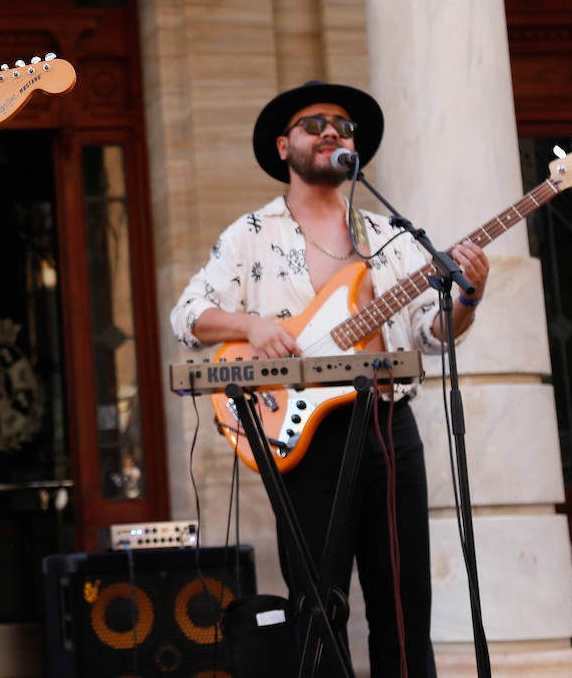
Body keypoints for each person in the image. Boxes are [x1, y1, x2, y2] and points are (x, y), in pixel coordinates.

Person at [169, 80, 490, 678]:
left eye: (342, 126)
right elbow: (187, 315)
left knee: (403, 600)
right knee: (318, 602)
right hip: (304, 437)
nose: (331, 133)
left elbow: (429, 335)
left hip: (387, 425)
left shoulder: (390, 237)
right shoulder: (251, 234)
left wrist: (468, 296)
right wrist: (252, 323)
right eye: (314, 124)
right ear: (283, 145)